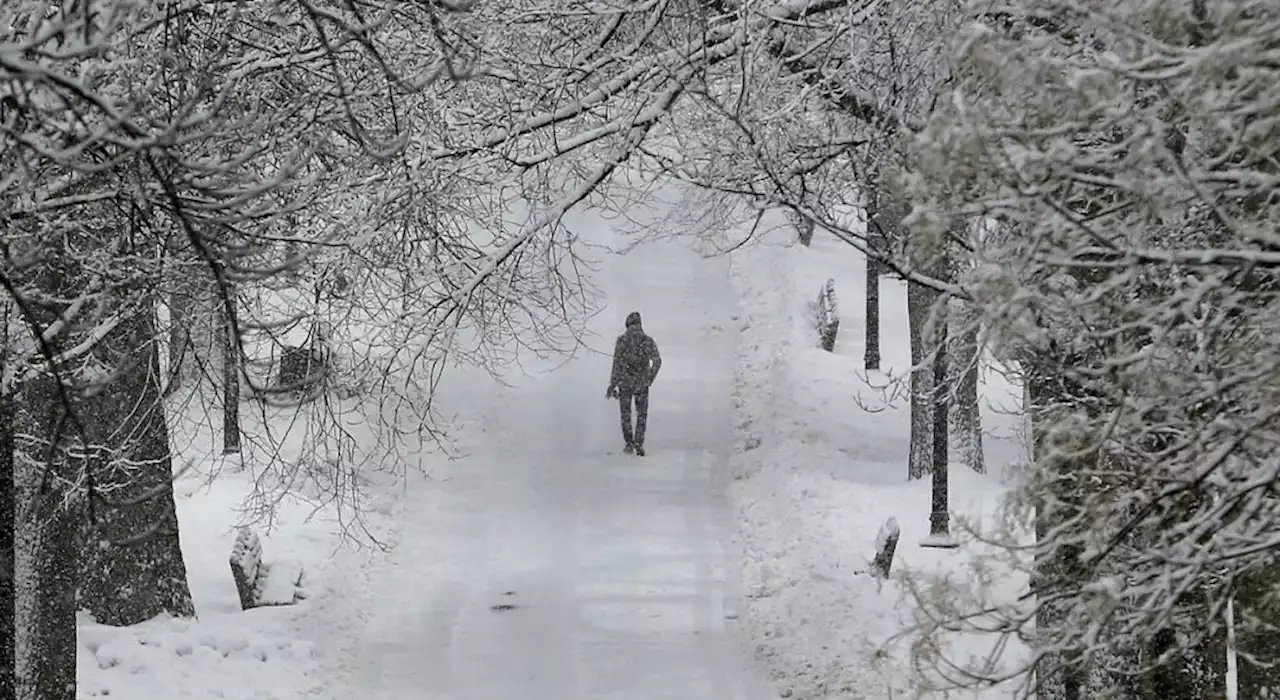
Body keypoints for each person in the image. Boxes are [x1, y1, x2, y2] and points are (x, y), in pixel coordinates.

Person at [606, 311, 662, 456]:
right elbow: (657, 361)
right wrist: (650, 377)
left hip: (625, 382)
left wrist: (613, 384)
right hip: (642, 383)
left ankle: (629, 443)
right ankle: (639, 443)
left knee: (626, 414)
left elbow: (617, 364)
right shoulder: (647, 341)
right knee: (641, 414)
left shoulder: (622, 341)